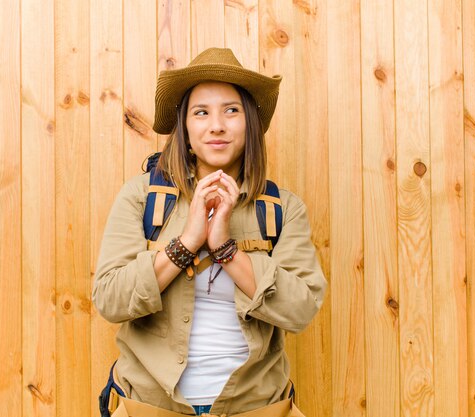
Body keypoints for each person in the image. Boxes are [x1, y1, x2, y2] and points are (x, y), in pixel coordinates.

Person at [92, 47, 327, 417]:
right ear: (184, 129)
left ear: (249, 123)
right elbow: (109, 299)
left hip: (257, 408)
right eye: (201, 112)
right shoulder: (141, 197)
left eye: (231, 110)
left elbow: (300, 309)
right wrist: (186, 243)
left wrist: (226, 250)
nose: (216, 125)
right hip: (151, 407)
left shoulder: (283, 208)